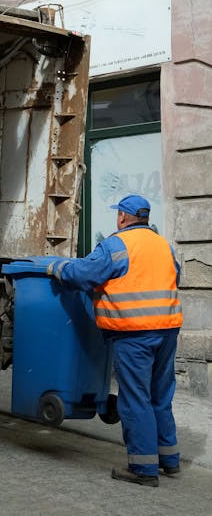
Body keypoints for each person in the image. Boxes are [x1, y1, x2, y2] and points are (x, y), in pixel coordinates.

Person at [45, 194, 182, 487]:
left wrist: (57, 268)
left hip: (134, 334)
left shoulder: (116, 245)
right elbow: (174, 278)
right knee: (161, 396)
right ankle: (170, 461)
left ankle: (144, 469)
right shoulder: (163, 245)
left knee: (135, 400)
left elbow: (83, 274)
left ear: (122, 217)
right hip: (168, 330)